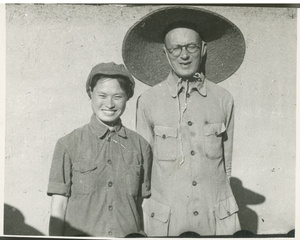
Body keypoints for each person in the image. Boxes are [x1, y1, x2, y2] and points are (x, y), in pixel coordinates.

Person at [122, 6, 246, 236]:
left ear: (203, 49)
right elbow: (144, 167)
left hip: (216, 218)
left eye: (191, 46)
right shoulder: (148, 101)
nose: (185, 55)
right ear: (165, 53)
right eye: (176, 48)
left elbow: (226, 165)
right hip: (168, 222)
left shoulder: (223, 99)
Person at [47, 62, 152, 237]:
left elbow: (142, 205)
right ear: (90, 93)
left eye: (117, 96)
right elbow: (59, 205)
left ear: (128, 96)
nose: (109, 104)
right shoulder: (68, 144)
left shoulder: (141, 146)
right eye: (102, 95)